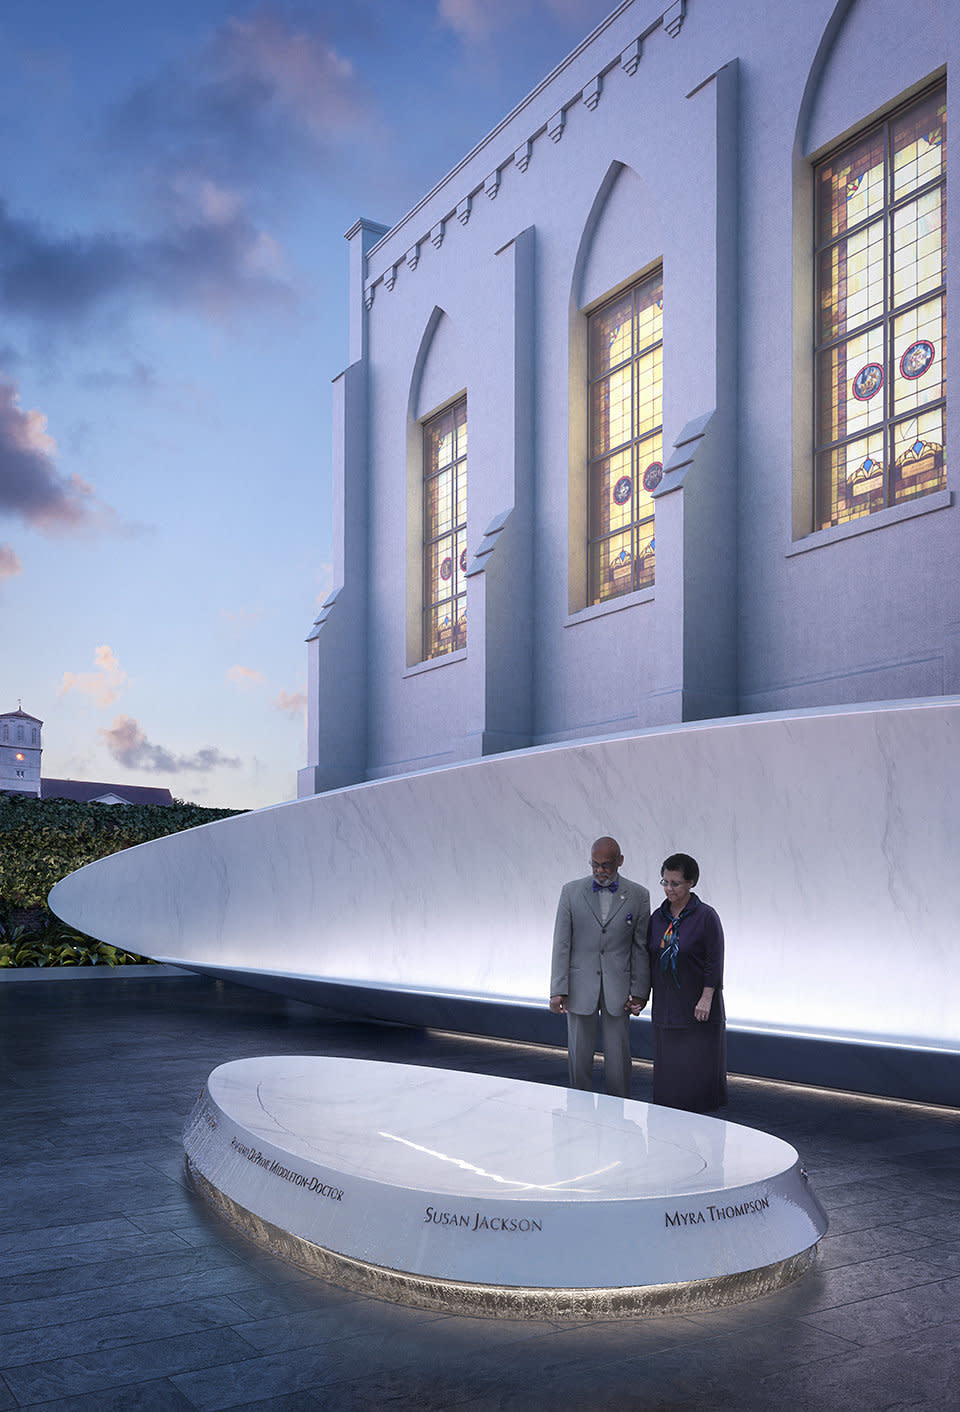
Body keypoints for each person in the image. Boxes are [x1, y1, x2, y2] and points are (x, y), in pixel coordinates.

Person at [549, 836, 651, 1098]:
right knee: (579, 1059)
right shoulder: (570, 892)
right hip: (579, 987)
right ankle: (578, 1117)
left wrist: (640, 990)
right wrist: (557, 989)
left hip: (619, 989)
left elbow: (640, 947)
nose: (600, 871)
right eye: (595, 864)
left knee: (619, 1060)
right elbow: (561, 943)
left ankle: (618, 1117)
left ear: (620, 861)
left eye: (606, 865)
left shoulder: (639, 895)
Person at [647, 852, 727, 1112]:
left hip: (696, 1007)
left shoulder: (706, 916)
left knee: (696, 1073)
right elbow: (649, 958)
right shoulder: (657, 918)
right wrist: (639, 996)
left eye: (675, 883)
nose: (669, 889)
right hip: (667, 1006)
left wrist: (707, 997)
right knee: (669, 1079)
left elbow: (714, 960)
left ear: (690, 882)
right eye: (665, 882)